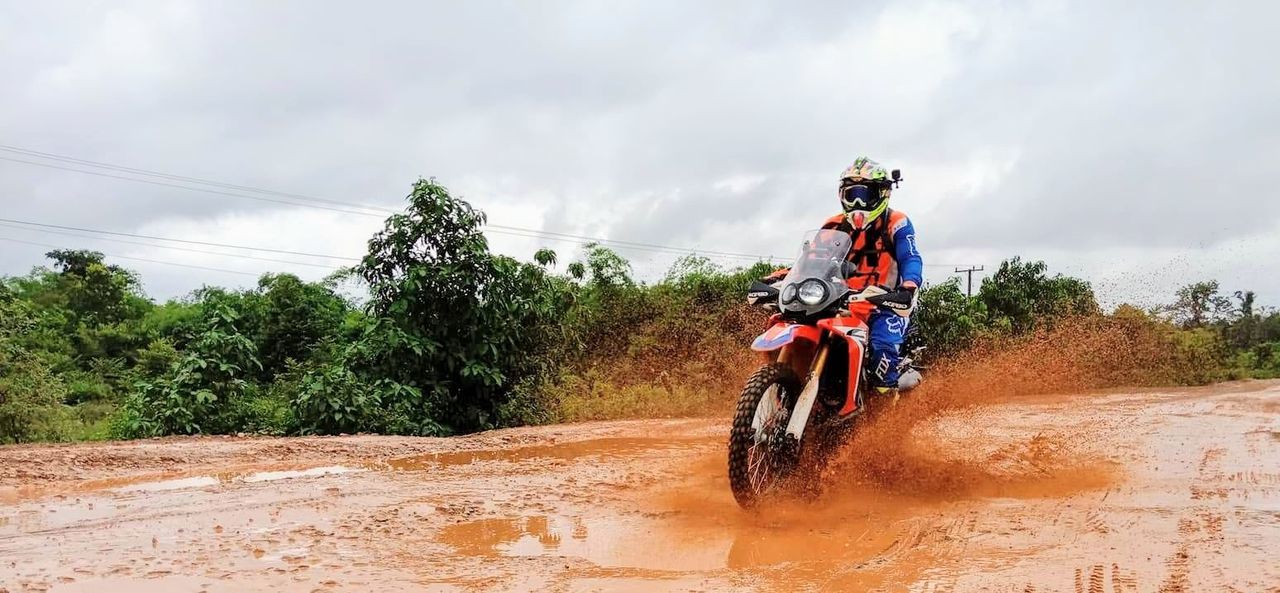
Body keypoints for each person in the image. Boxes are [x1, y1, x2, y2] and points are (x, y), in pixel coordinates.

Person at [764, 156, 923, 395]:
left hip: (883, 302)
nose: (858, 202)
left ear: (882, 194)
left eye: (865, 194)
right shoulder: (833, 225)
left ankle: (886, 418)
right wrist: (781, 276)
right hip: (836, 300)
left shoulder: (896, 222)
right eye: (852, 194)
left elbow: (911, 257)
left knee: (882, 348)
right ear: (842, 195)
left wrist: (909, 286)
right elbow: (811, 260)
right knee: (781, 320)